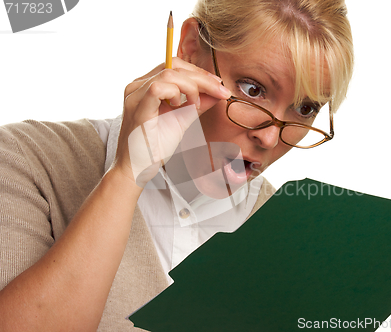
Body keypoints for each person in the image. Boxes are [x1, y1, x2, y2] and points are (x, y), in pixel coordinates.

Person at [0, 0, 354, 330]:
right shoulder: (27, 159)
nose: (271, 138)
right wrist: (127, 175)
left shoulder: (287, 231)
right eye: (253, 88)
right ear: (189, 49)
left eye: (305, 109)